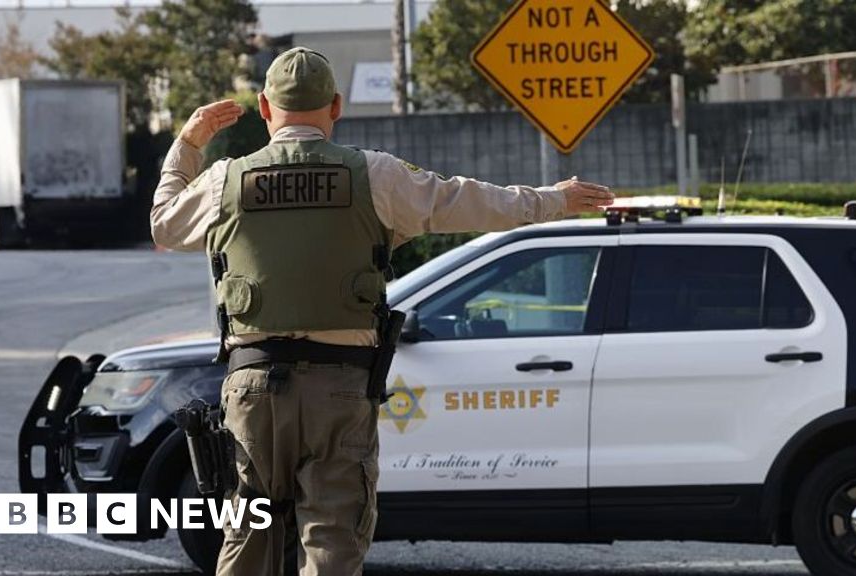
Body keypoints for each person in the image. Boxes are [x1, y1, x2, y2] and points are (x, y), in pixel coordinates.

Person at [150, 46, 613, 576]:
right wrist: (554, 199)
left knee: (248, 533)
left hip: (253, 388)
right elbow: (470, 201)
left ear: (263, 107)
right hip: (341, 388)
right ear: (336, 106)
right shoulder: (376, 176)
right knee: (333, 536)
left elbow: (163, 223)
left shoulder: (225, 180)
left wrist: (189, 143)